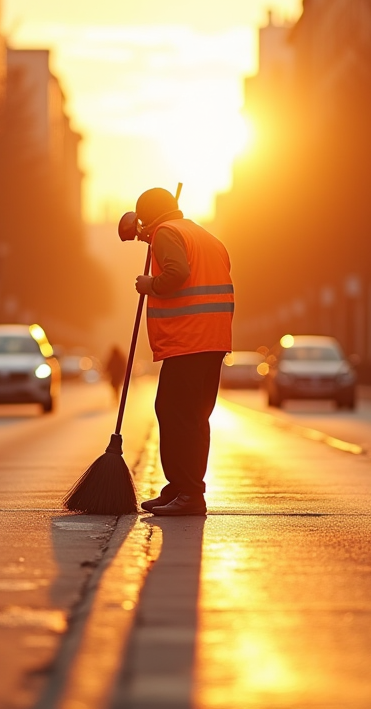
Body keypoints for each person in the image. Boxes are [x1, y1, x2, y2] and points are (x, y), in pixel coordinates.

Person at [131, 188, 233, 517]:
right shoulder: (204, 236)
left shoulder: (166, 233)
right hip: (213, 340)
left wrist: (150, 285)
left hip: (187, 340)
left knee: (174, 413)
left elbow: (177, 273)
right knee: (194, 417)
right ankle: (181, 488)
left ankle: (188, 492)